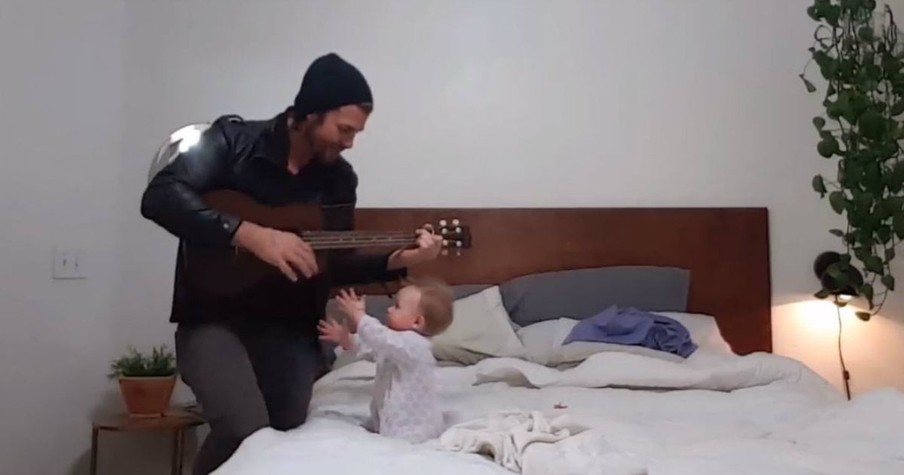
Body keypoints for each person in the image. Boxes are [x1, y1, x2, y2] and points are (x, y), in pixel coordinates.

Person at [140, 52, 442, 475]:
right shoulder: (231, 142)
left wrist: (396, 260)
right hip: (212, 318)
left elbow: (333, 264)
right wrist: (249, 234)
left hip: (288, 327)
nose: (350, 142)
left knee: (286, 436)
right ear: (311, 113)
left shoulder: (339, 179)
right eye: (344, 129)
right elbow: (160, 197)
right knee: (244, 430)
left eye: (356, 133)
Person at [318, 279, 454, 443]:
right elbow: (372, 346)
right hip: (390, 419)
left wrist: (359, 316)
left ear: (417, 322)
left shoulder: (415, 346)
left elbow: (380, 337)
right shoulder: (398, 344)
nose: (389, 309)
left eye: (397, 306)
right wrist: (346, 339)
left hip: (413, 428)